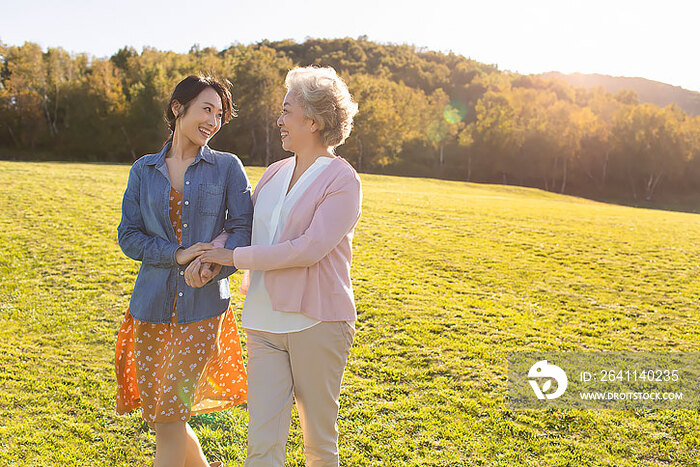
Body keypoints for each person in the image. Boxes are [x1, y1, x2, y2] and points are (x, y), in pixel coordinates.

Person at [198, 65, 361, 467]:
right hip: (264, 323)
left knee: (318, 444)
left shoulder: (343, 180)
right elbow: (244, 229)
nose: (280, 120)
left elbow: (307, 249)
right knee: (262, 442)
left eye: (288, 111)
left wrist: (232, 258)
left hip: (317, 324)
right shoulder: (274, 173)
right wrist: (211, 254)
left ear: (315, 121)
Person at [115, 74, 253, 467]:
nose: (213, 121)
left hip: (202, 309)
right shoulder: (144, 170)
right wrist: (178, 254)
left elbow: (244, 229)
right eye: (206, 109)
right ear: (178, 108)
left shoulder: (227, 167)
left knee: (170, 415)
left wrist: (212, 264)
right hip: (150, 308)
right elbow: (128, 236)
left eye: (220, 115)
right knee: (163, 420)